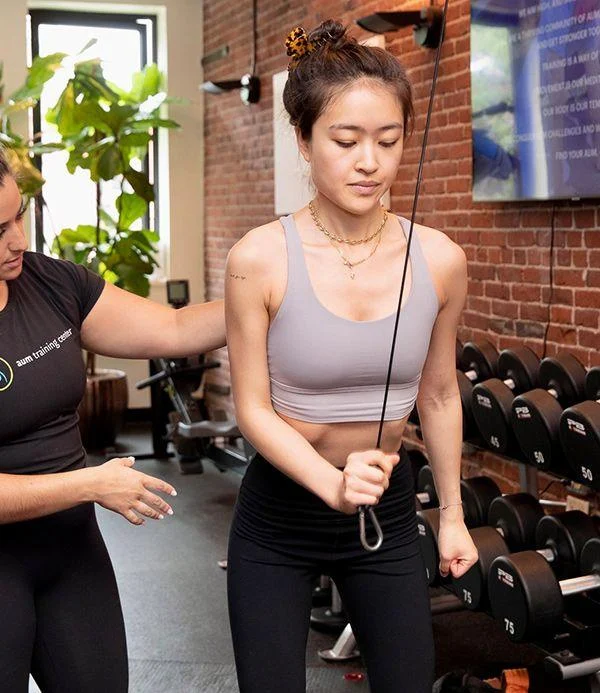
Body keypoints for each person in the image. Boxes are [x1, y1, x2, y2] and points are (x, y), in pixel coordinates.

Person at [225, 20, 478, 693]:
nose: (370, 160)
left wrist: (451, 514)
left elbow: (441, 394)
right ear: (304, 141)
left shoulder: (441, 260)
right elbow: (249, 406)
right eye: (346, 140)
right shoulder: (259, 258)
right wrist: (329, 482)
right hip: (279, 515)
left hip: (386, 513)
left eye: (388, 140)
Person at [0, 147, 225, 692]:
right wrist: (90, 483)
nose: (18, 241)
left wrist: (276, 290)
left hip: (72, 555)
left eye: (19, 214)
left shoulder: (50, 282)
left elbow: (173, 331)